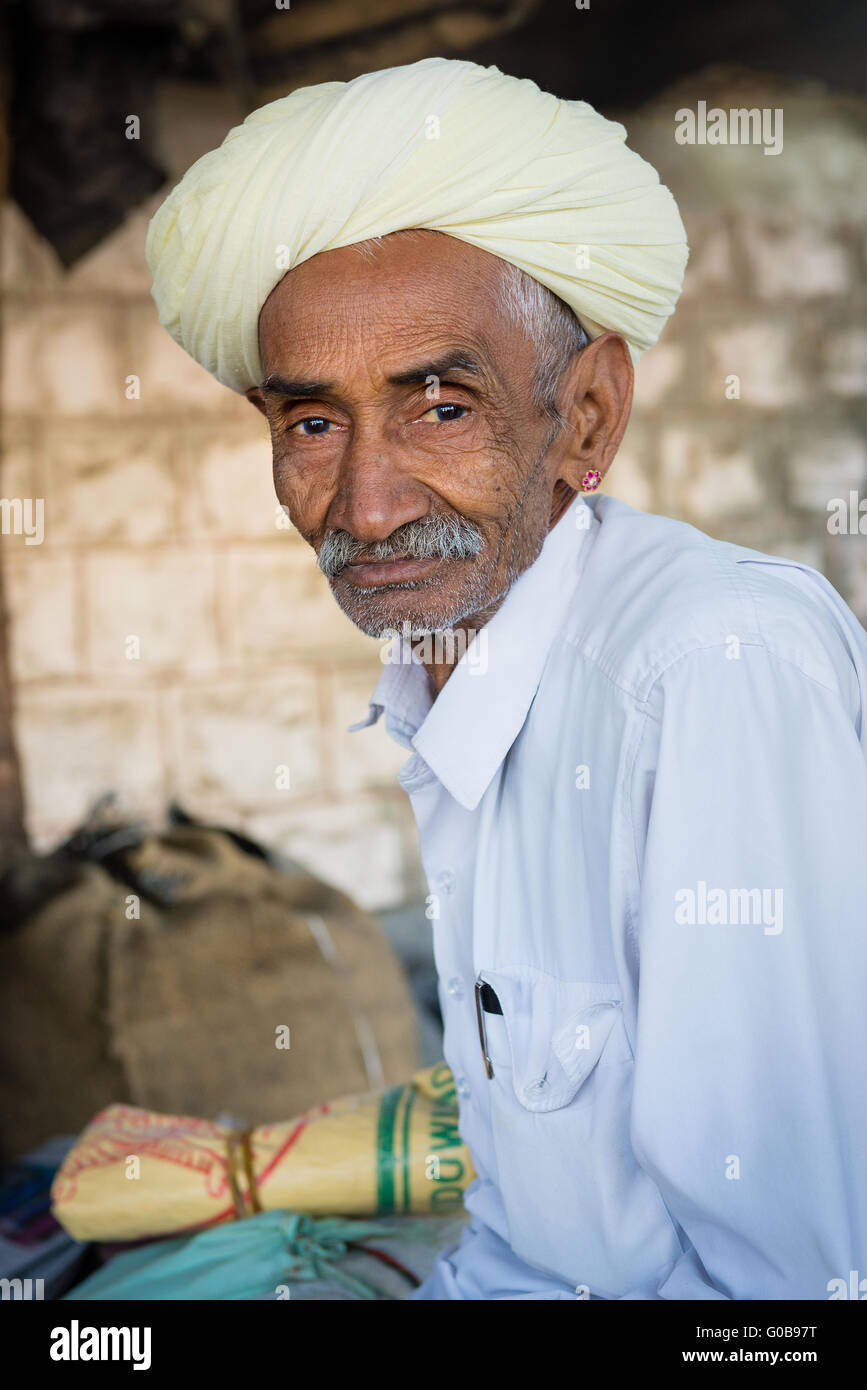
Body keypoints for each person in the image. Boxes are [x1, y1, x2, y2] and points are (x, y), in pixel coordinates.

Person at [147, 57, 867, 1300]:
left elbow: (794, 1293)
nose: (365, 505)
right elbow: (527, 1237)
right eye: (313, 424)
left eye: (439, 409)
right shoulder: (450, 671)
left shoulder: (710, 670)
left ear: (585, 418)